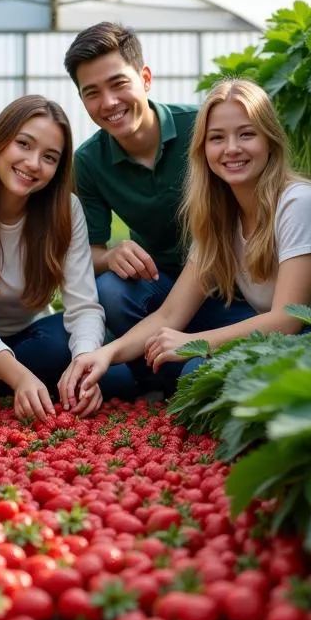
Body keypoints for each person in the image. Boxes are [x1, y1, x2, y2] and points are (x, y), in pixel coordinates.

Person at [58, 78, 311, 407]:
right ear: (203, 150)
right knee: (197, 369)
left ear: (270, 141)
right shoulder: (220, 219)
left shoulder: (299, 203)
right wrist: (105, 353)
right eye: (217, 138)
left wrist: (194, 341)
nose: (231, 148)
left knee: (198, 369)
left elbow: (287, 319)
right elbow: (170, 314)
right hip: (300, 342)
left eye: (246, 134)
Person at [63, 23, 255, 390]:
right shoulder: (88, 162)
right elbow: (87, 252)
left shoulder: (200, 129)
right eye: (92, 93)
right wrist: (111, 256)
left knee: (248, 337)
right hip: (163, 292)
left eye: (118, 83)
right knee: (112, 290)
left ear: (145, 78)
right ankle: (173, 365)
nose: (109, 103)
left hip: (234, 289)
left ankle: (163, 367)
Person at [0, 95, 136, 420]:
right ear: (0, 139)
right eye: (24, 144)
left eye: (49, 157)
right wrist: (20, 376)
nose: (34, 163)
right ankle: (6, 380)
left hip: (30, 338)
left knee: (70, 346)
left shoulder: (65, 209)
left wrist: (83, 363)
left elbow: (83, 307)